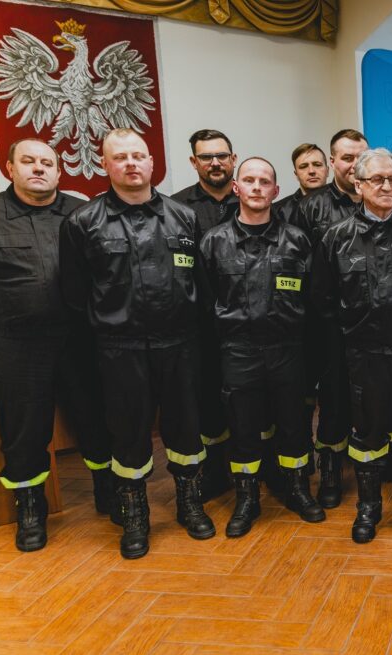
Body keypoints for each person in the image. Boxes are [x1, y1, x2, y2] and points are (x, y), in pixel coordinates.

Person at [60, 128, 212, 559]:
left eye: (138, 156)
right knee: (127, 436)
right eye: (120, 157)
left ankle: (190, 504)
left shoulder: (183, 216)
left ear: (152, 163)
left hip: (179, 345)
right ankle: (135, 516)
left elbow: (198, 284)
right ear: (105, 165)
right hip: (120, 349)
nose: (130, 163)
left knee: (185, 429)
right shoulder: (82, 223)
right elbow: (74, 294)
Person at [0, 138, 111, 552]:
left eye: (47, 162)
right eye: (28, 161)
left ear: (59, 172)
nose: (39, 169)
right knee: (23, 429)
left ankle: (107, 490)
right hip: (20, 342)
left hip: (81, 338)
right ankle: (31, 509)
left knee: (95, 417)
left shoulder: (81, 211)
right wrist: (8, 309)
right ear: (9, 167)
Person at [312, 148, 392, 543]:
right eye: (377, 180)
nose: (387, 186)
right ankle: (369, 506)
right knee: (367, 435)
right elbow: (323, 303)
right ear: (358, 184)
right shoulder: (336, 238)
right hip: (364, 356)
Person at [198, 157, 325, 538]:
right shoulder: (214, 242)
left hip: (288, 348)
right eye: (249, 180)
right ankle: (247, 498)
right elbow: (203, 304)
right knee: (243, 429)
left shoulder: (298, 241)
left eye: (264, 181)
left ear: (275, 190)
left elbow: (313, 301)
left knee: (294, 426)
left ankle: (298, 490)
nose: (256, 187)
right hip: (237, 351)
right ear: (236, 188)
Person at [294, 129, 369, 509]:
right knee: (335, 401)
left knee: (373, 399)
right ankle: (330, 470)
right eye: (346, 158)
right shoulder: (312, 208)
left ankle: (374, 467)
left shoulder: (383, 200)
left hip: (373, 327)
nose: (354, 164)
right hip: (330, 327)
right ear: (333, 161)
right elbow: (300, 269)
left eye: (360, 156)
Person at [172, 129, 238, 501]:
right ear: (194, 162)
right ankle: (215, 472)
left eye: (221, 155)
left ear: (233, 158)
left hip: (250, 323)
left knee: (250, 398)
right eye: (206, 157)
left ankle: (255, 468)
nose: (215, 163)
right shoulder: (177, 209)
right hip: (201, 326)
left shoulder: (252, 199)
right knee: (208, 399)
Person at [273, 143, 328, 224]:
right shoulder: (278, 211)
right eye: (304, 166)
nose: (311, 171)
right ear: (296, 175)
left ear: (327, 171)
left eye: (317, 165)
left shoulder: (345, 204)